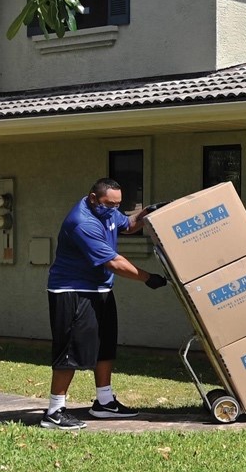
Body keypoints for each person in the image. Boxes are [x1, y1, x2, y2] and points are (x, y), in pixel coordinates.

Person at [42, 178, 168, 430]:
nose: (113, 209)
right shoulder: (82, 223)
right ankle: (54, 411)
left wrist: (146, 213)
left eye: (118, 205)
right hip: (72, 291)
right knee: (70, 352)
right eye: (109, 204)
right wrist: (147, 278)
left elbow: (129, 225)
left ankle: (104, 403)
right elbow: (113, 262)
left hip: (100, 289)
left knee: (105, 346)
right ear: (92, 198)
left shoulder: (107, 211)